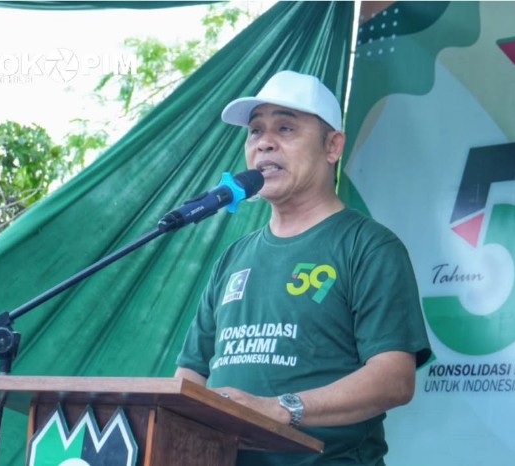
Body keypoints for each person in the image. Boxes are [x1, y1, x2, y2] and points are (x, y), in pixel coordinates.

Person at [175, 70, 431, 465]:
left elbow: (395, 378)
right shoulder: (233, 257)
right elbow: (191, 375)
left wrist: (281, 409)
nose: (264, 143)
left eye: (285, 128)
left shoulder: (369, 246)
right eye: (255, 131)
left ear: (332, 146)